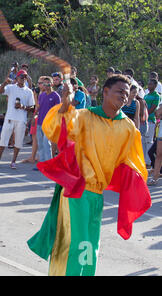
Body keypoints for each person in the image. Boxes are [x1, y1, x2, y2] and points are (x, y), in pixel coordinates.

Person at [28, 75, 152, 276]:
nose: (124, 96)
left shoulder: (128, 127)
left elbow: (132, 163)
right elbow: (56, 128)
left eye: (127, 93)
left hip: (97, 194)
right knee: (75, 243)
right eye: (120, 91)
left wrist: (135, 184)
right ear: (105, 92)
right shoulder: (84, 116)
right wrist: (65, 101)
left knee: (90, 247)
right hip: (77, 190)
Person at [0, 70, 35, 169]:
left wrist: (22, 106)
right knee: (3, 140)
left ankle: (13, 162)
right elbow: (0, 91)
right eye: (21, 77)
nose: (23, 79)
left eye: (25, 77)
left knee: (18, 141)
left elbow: (32, 107)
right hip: (10, 117)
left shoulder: (29, 91)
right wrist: (5, 82)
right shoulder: (11, 87)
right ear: (16, 78)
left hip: (21, 120)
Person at [36, 76, 61, 162]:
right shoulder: (41, 95)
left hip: (49, 123)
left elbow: (58, 111)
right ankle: (42, 162)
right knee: (40, 144)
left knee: (46, 143)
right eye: (44, 84)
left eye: (48, 84)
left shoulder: (56, 96)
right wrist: (33, 118)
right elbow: (38, 108)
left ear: (52, 84)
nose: (46, 86)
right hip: (40, 122)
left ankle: (48, 163)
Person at [143, 79, 160, 166]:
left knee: (149, 141)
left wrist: (145, 114)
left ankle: (149, 161)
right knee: (143, 141)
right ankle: (144, 160)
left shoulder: (156, 96)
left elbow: (153, 108)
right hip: (144, 120)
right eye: (148, 84)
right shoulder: (146, 95)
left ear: (155, 85)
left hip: (151, 120)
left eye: (151, 84)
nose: (149, 86)